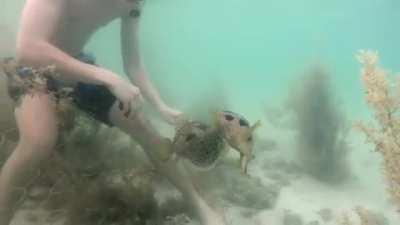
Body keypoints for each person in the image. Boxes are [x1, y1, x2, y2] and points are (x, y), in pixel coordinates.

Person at [0, 0, 226, 224]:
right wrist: (110, 78)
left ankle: (197, 203)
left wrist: (160, 105)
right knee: (39, 140)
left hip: (78, 67)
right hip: (31, 69)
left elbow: (133, 65)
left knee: (146, 130)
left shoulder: (134, 4)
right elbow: (28, 48)